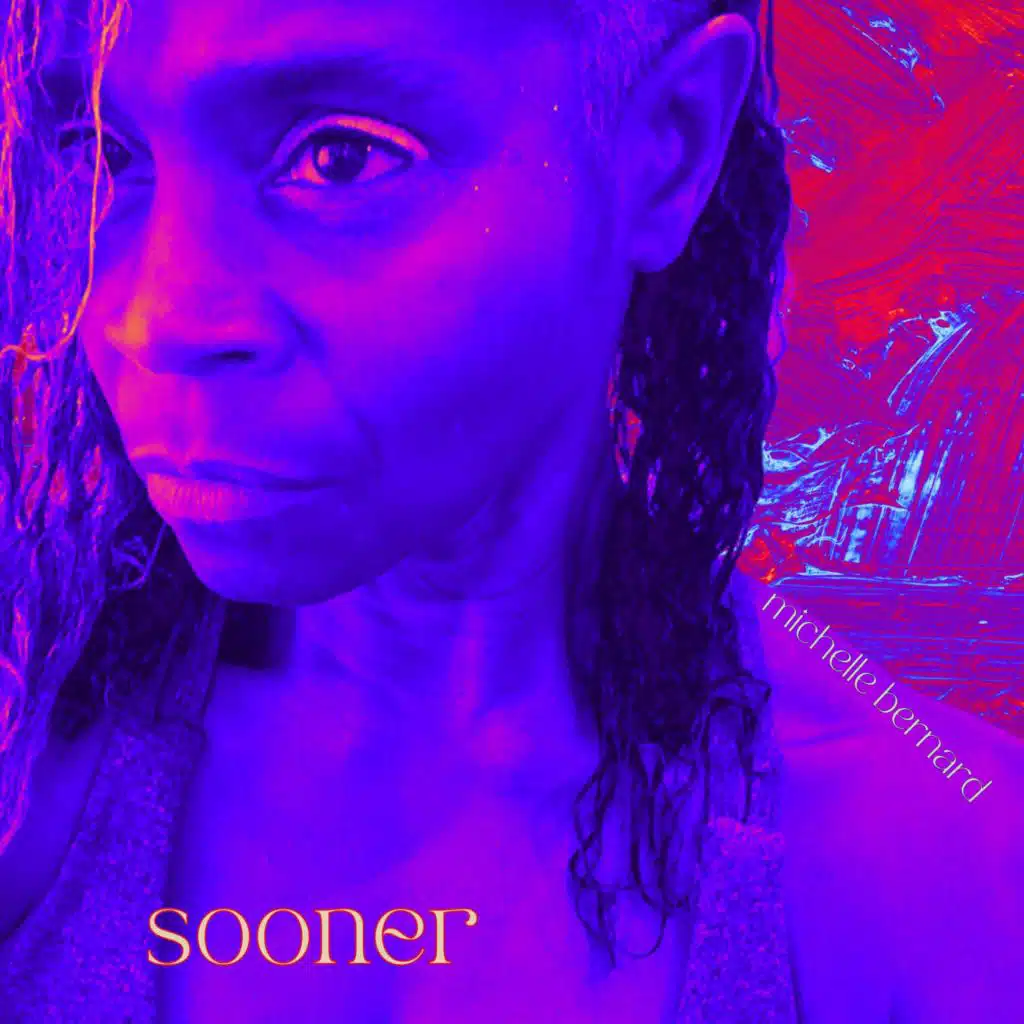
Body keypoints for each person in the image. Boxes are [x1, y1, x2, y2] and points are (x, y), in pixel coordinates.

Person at [0, 0, 1019, 1021]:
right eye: (102, 153)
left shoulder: (951, 878)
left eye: (340, 158)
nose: (153, 319)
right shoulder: (30, 768)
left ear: (667, 147)